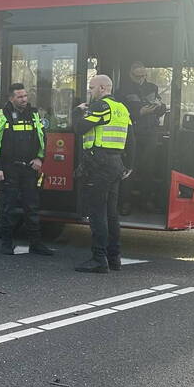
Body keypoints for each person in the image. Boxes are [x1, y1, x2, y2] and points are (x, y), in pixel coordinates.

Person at [73, 74, 136, 273]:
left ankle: (99, 259)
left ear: (102, 88)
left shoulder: (100, 107)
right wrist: (129, 166)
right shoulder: (122, 108)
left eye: (91, 88)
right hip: (115, 164)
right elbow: (132, 140)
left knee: (97, 213)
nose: (90, 92)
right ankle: (114, 258)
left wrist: (77, 112)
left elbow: (80, 129)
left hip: (99, 165)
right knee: (111, 214)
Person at [0, 83, 53, 256]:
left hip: (29, 168)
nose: (24, 99)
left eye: (25, 96)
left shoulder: (34, 114)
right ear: (11, 98)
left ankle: (36, 244)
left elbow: (42, 137)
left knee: (32, 207)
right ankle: (6, 244)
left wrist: (40, 159)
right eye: (19, 96)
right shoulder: (1, 115)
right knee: (8, 207)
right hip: (9, 169)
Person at [116, 62, 166, 215]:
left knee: (148, 169)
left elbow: (162, 109)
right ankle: (125, 203)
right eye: (137, 76)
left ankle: (146, 201)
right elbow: (119, 113)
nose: (140, 79)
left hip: (151, 132)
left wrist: (159, 107)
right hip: (132, 133)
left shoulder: (152, 87)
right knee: (130, 168)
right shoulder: (122, 90)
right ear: (131, 74)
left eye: (143, 75)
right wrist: (139, 113)